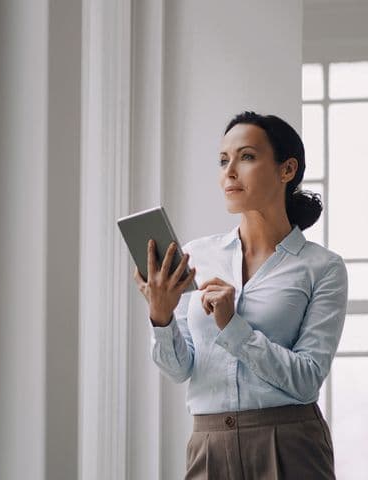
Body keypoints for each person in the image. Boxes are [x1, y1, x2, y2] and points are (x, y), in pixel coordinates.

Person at [133, 111, 348, 479]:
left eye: (246, 156)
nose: (229, 171)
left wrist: (233, 327)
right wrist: (161, 317)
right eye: (222, 160)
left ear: (287, 170)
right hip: (209, 444)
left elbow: (307, 379)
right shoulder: (196, 256)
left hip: (291, 445)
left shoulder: (322, 267)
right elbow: (177, 370)